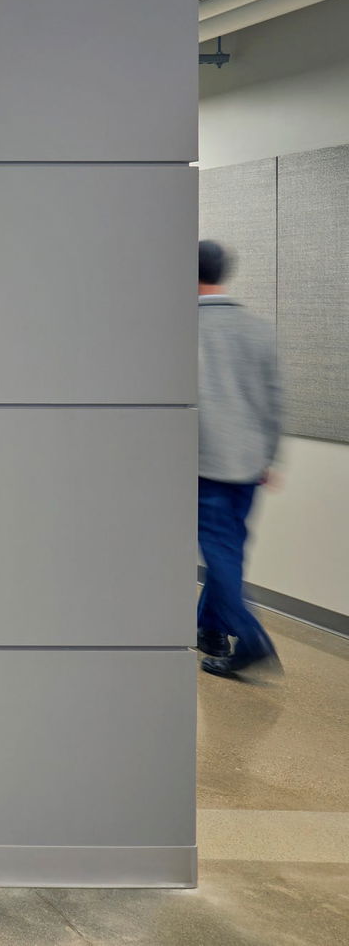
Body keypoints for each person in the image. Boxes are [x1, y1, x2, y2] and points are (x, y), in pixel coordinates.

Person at [195, 240, 284, 680]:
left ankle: (252, 642)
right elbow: (274, 400)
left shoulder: (182, 327)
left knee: (220, 553)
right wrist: (269, 456)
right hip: (249, 463)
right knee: (229, 550)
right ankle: (211, 629)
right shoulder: (258, 328)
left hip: (206, 463)